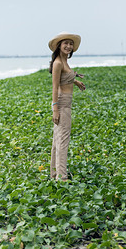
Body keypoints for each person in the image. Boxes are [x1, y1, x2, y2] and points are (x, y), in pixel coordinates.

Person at [48, 32, 85, 181]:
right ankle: (61, 179)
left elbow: (65, 78)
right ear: (59, 45)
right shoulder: (58, 63)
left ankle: (54, 175)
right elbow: (55, 87)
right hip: (62, 104)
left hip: (65, 103)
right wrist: (55, 109)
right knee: (63, 141)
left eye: (71, 44)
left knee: (57, 141)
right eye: (66, 43)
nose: (69, 46)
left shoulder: (64, 61)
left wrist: (75, 81)